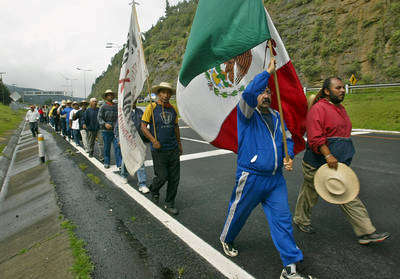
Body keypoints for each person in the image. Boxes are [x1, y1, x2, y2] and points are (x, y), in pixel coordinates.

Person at [219, 59, 315, 279]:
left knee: (282, 220)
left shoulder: (277, 116)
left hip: (274, 179)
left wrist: (288, 155)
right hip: (251, 176)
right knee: (239, 213)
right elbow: (248, 94)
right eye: (262, 92)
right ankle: (227, 237)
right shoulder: (246, 112)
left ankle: (290, 266)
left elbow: (287, 138)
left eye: (269, 92)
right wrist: (267, 73)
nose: (266, 95)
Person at [293, 77, 390, 245]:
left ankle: (300, 219)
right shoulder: (318, 109)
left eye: (343, 88)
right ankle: (366, 232)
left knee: (309, 192)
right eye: (338, 88)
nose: (342, 90)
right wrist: (328, 155)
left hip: (336, 164)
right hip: (319, 163)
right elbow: (316, 138)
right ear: (327, 91)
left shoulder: (340, 109)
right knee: (346, 193)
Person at [141, 82, 182, 215]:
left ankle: (169, 202)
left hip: (173, 148)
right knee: (162, 176)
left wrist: (179, 143)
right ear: (158, 94)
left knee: (174, 178)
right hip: (159, 150)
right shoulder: (151, 107)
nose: (166, 95)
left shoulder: (173, 108)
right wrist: (153, 140)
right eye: (163, 92)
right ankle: (154, 189)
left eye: (168, 92)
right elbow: (143, 127)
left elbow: (176, 127)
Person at [97, 89, 121, 169]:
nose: (109, 96)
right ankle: (107, 162)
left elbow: (119, 116)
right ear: (106, 97)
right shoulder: (103, 106)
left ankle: (119, 163)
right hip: (105, 130)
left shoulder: (116, 106)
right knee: (107, 147)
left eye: (111, 95)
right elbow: (99, 117)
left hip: (115, 130)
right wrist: (104, 124)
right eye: (108, 95)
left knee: (117, 147)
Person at [130, 98, 149, 193]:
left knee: (140, 161)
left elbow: (144, 124)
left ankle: (142, 184)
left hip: (139, 140)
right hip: (129, 141)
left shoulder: (140, 111)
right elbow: (119, 126)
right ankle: (123, 174)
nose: (133, 103)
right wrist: (118, 138)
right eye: (131, 101)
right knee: (127, 161)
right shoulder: (124, 113)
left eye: (134, 101)